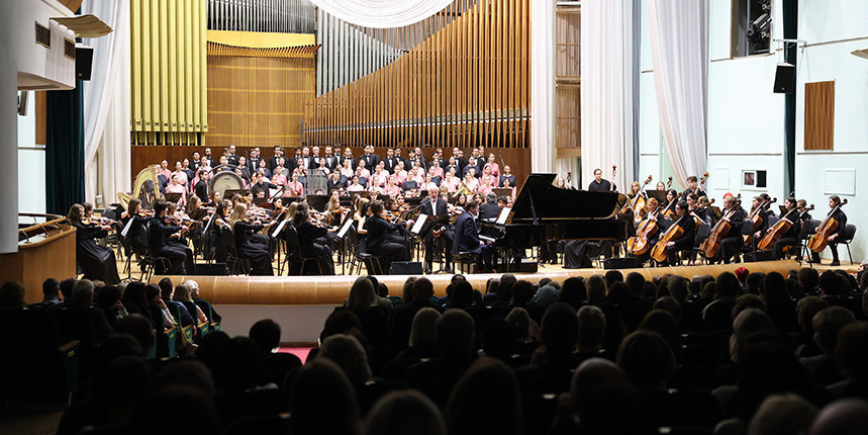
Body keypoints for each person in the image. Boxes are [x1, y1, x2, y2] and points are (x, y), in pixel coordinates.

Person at [68, 204, 121, 284]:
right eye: (82, 212)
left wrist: (101, 224)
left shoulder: (81, 221)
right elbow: (86, 229)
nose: (84, 214)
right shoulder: (74, 224)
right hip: (83, 248)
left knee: (110, 252)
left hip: (90, 245)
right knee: (99, 261)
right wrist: (101, 227)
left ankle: (109, 281)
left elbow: (92, 231)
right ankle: (96, 281)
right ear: (76, 213)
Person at [365, 200, 412, 272]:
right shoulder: (378, 221)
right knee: (401, 248)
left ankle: (390, 267)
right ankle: (400, 270)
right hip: (377, 246)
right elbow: (391, 227)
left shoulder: (372, 219)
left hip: (374, 244)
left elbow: (388, 225)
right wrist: (405, 223)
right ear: (380, 210)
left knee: (399, 246)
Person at [230, 203, 276, 275]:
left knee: (265, 247)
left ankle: (257, 272)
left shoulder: (241, 222)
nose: (247, 212)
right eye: (245, 210)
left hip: (246, 245)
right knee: (265, 254)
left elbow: (250, 232)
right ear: (241, 211)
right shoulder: (238, 224)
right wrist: (269, 224)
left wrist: (253, 223)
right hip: (242, 248)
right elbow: (252, 228)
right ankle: (265, 275)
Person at [291, 202, 336, 275]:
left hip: (298, 249)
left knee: (323, 248)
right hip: (307, 250)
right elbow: (318, 231)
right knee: (326, 249)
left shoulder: (294, 223)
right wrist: (333, 230)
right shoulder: (306, 225)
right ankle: (329, 273)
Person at [452, 200, 493, 273]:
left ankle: (480, 269)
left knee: (482, 247)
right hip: (464, 247)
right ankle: (487, 271)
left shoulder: (463, 215)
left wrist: (478, 242)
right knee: (487, 248)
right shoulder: (469, 218)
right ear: (471, 209)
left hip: (459, 245)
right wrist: (478, 242)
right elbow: (468, 235)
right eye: (477, 208)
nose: (478, 210)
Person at [420, 187, 454, 274]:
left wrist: (442, 229)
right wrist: (431, 230)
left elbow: (446, 219)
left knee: (450, 238)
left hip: (441, 226)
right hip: (429, 228)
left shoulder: (442, 202)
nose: (434, 194)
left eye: (435, 193)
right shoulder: (424, 203)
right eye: (432, 192)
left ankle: (448, 264)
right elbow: (423, 220)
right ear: (429, 193)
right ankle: (429, 265)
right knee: (429, 239)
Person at [814, 195, 848, 267]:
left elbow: (842, 230)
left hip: (839, 234)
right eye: (829, 202)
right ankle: (816, 258)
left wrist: (833, 236)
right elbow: (827, 225)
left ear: (836, 202)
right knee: (814, 238)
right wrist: (819, 228)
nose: (829, 203)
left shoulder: (841, 215)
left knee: (831, 241)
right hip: (830, 233)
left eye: (831, 202)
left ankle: (836, 260)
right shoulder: (830, 213)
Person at [662, 201, 696, 265]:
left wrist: (674, 242)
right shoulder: (679, 218)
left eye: (677, 208)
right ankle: (664, 263)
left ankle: (673, 265)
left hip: (686, 243)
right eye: (675, 208)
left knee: (670, 248)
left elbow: (688, 237)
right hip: (679, 240)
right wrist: (664, 233)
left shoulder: (690, 221)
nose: (675, 210)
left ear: (683, 210)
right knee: (664, 245)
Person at [717, 194, 746, 264]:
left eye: (725, 203)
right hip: (725, 235)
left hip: (735, 237)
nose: (723, 204)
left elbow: (738, 226)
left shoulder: (737, 213)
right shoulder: (723, 211)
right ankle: (714, 258)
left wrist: (729, 221)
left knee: (724, 242)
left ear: (731, 204)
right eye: (724, 202)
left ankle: (725, 260)